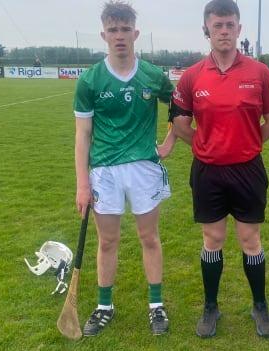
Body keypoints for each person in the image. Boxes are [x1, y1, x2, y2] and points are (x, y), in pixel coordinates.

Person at [168, 0, 269, 338]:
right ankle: (210, 306)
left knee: (251, 240)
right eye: (217, 25)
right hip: (208, 172)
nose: (223, 31)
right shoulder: (192, 76)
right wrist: (205, 147)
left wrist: (247, 143)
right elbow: (179, 123)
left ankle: (259, 305)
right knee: (213, 238)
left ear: (239, 29)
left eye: (229, 25)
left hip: (248, 170)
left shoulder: (259, 72)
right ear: (207, 30)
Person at [73, 0, 175, 337]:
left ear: (136, 33)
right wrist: (82, 184)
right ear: (104, 34)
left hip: (144, 167)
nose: (120, 36)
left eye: (125, 29)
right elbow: (82, 135)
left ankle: (156, 305)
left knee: (149, 237)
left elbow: (181, 107)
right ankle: (104, 307)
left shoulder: (152, 75)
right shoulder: (90, 80)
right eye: (113, 30)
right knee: (107, 242)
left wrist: (171, 140)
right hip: (104, 171)